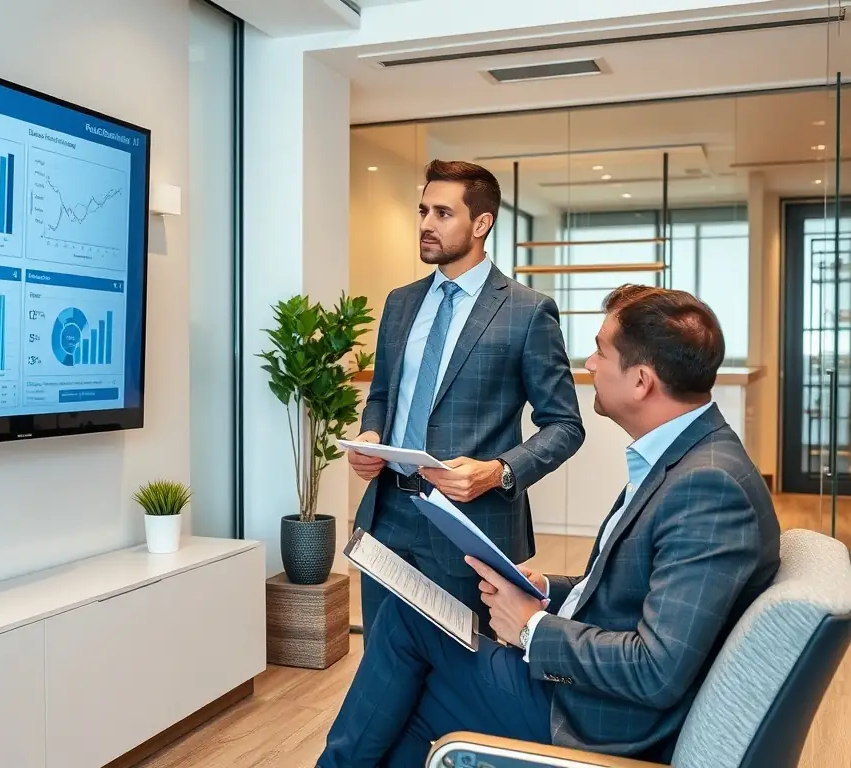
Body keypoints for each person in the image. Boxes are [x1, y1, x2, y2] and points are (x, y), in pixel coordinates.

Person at [320, 285, 781, 768]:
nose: (588, 364)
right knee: (406, 644)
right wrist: (545, 588)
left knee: (405, 660)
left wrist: (531, 628)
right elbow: (628, 596)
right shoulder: (688, 457)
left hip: (598, 721)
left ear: (642, 381)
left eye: (601, 351)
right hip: (590, 694)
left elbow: (657, 668)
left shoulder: (708, 487)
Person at [349, 159, 584, 640]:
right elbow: (382, 396)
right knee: (381, 659)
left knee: (461, 672)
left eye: (442, 213)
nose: (425, 225)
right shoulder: (400, 302)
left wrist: (497, 471)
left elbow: (565, 425)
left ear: (481, 224)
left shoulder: (527, 311)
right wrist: (372, 435)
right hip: (388, 515)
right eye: (422, 211)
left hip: (470, 524)